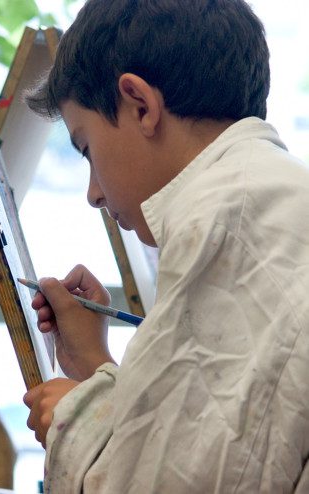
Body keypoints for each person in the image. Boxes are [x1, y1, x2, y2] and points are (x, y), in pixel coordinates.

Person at [22, 0, 309, 492]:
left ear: (139, 104)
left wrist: (76, 416)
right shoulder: (266, 194)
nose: (94, 192)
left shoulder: (226, 221)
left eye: (87, 148)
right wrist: (94, 364)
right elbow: (215, 438)